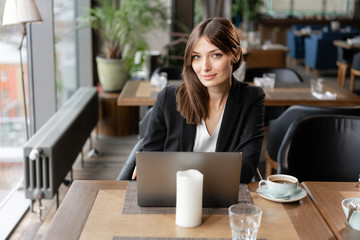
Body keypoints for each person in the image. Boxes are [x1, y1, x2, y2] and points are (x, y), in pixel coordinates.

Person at [135, 17, 265, 183]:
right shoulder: (168, 98)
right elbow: (150, 161)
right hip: (174, 193)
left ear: (236, 54)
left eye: (216, 55)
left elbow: (246, 169)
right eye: (197, 57)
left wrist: (178, 168)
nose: (204, 67)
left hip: (224, 198)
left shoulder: (251, 99)